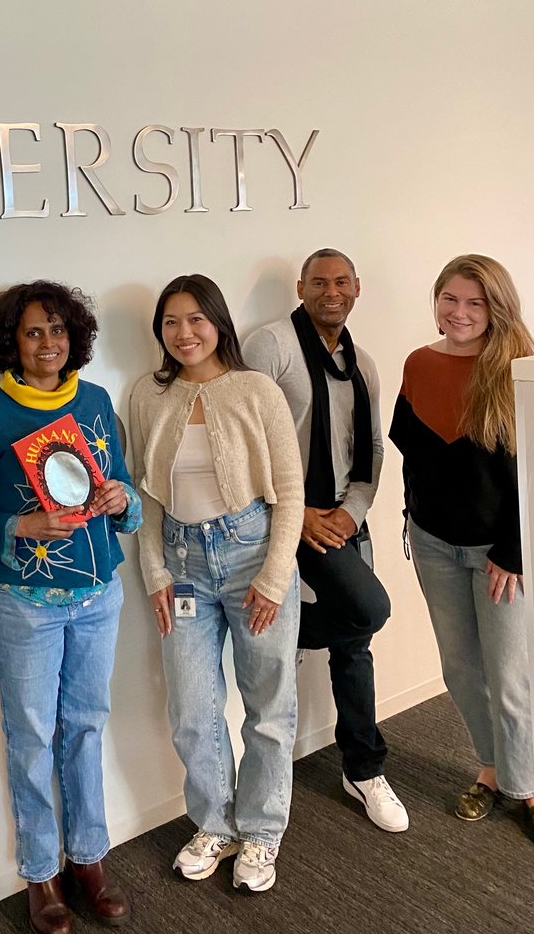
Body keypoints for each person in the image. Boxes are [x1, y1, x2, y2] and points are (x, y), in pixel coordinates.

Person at [0, 281, 140, 934]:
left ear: (75, 338)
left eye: (58, 331)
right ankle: (42, 871)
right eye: (34, 332)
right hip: (24, 602)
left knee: (86, 724)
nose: (48, 344)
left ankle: (88, 859)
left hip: (99, 594)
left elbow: (121, 488)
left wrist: (124, 501)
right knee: (31, 736)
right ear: (10, 340)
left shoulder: (93, 400)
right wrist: (20, 527)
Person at [132, 274, 302, 895]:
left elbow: (289, 491)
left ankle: (260, 830)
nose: (184, 333)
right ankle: (214, 824)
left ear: (218, 323)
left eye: (196, 319)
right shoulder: (147, 396)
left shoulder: (257, 391)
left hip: (252, 553)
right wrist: (154, 573)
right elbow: (145, 497)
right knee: (192, 709)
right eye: (171, 322)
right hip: (181, 565)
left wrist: (275, 577)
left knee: (268, 705)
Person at [243, 249, 408, 833]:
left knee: (356, 639)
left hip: (344, 520)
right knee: (369, 609)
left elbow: (374, 448)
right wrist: (300, 513)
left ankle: (363, 770)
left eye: (341, 281)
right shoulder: (271, 346)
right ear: (301, 287)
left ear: (357, 288)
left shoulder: (362, 362)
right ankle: (287, 629)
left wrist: (352, 512)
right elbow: (248, 438)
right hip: (288, 519)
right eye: (319, 282)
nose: (330, 291)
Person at [390, 254, 534, 840]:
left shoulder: (521, 370)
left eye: (475, 302)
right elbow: (411, 449)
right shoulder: (419, 363)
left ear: (496, 307)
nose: (460, 312)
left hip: (501, 553)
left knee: (509, 675)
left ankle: (525, 785)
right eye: (450, 298)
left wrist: (514, 549)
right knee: (460, 668)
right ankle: (492, 769)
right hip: (433, 544)